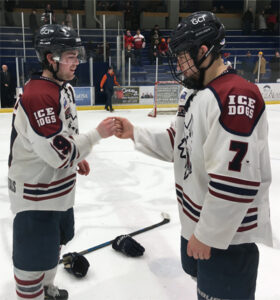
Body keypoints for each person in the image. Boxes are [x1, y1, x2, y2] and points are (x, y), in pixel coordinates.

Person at [114, 11, 272, 300]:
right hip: (198, 226)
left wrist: (208, 234)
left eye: (182, 57)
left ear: (204, 51)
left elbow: (236, 181)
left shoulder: (236, 95)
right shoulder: (197, 93)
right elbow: (180, 144)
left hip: (227, 239)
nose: (178, 64)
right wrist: (135, 134)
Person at [8, 24, 116, 300]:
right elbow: (59, 155)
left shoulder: (62, 89)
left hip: (58, 191)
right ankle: (31, 295)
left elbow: (64, 138)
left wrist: (75, 158)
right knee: (33, 257)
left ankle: (47, 289)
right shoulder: (38, 96)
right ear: (50, 58)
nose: (76, 62)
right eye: (69, 56)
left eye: (76, 55)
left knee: (54, 243)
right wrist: (95, 136)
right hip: (37, 195)